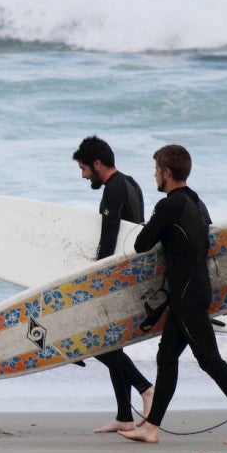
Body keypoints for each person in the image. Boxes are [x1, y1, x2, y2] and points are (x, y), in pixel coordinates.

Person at [118, 144, 227, 446]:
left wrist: (154, 227)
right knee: (167, 357)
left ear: (167, 172)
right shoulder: (198, 203)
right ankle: (151, 427)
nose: (154, 175)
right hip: (194, 290)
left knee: (209, 359)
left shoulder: (169, 205)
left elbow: (141, 244)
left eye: (156, 169)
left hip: (186, 297)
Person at [73, 136, 154, 434]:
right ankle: (124, 415)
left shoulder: (114, 188)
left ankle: (146, 389)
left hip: (116, 277)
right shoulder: (131, 183)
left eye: (83, 168)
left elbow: (109, 239)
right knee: (111, 342)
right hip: (132, 273)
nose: (83, 176)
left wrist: (94, 279)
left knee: (96, 343)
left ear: (97, 163)